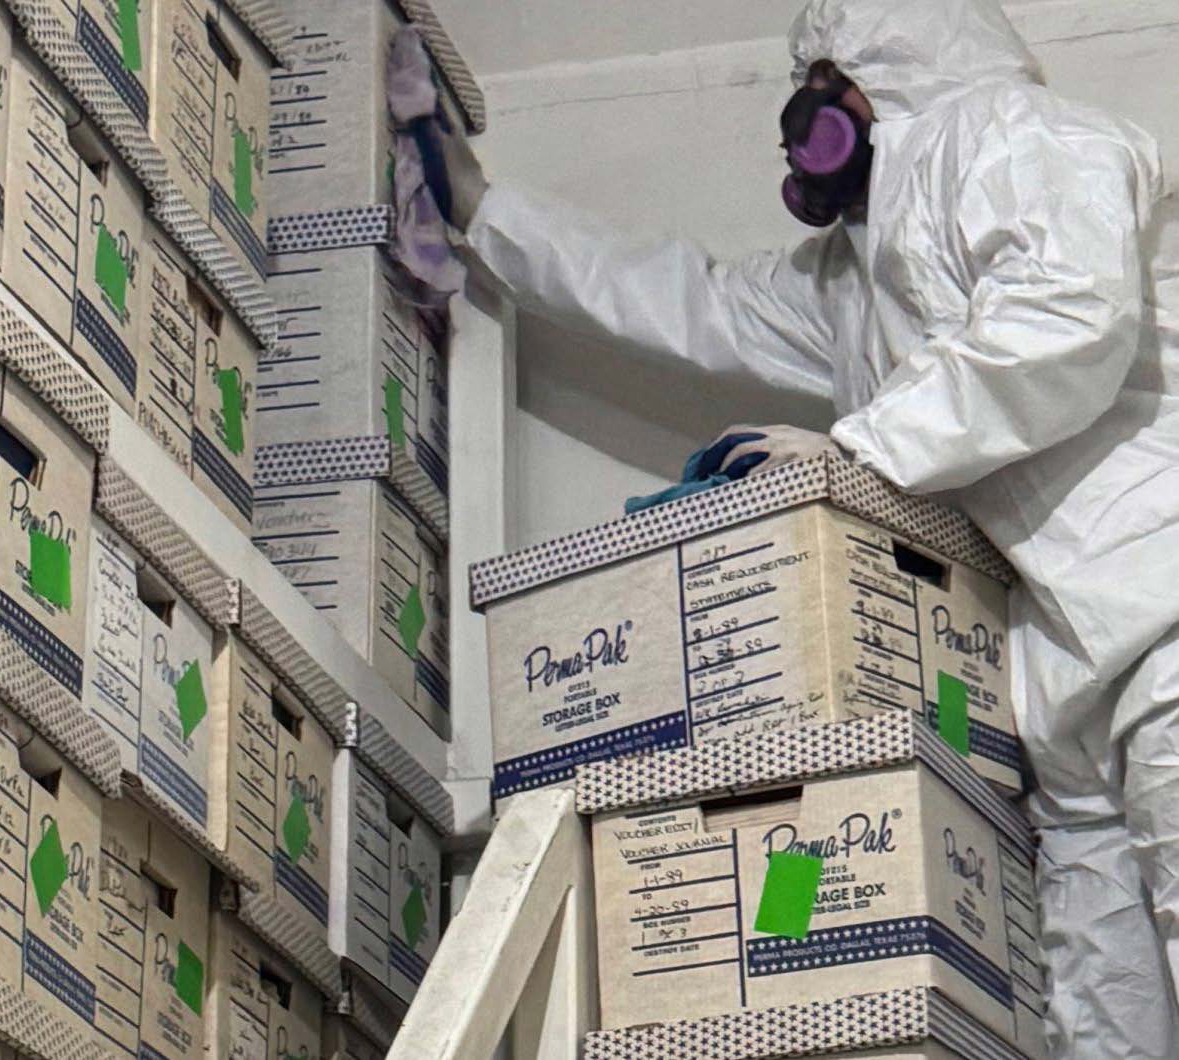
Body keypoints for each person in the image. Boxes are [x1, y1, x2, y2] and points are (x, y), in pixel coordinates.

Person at [440, 1, 1179, 1055]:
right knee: (1103, 1000)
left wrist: (864, 450)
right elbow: (687, 300)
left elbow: (1066, 319)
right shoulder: (850, 281)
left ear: (876, 71)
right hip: (1064, 668)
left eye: (822, 83)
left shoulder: (1009, 137)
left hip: (1160, 596)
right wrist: (485, 216)